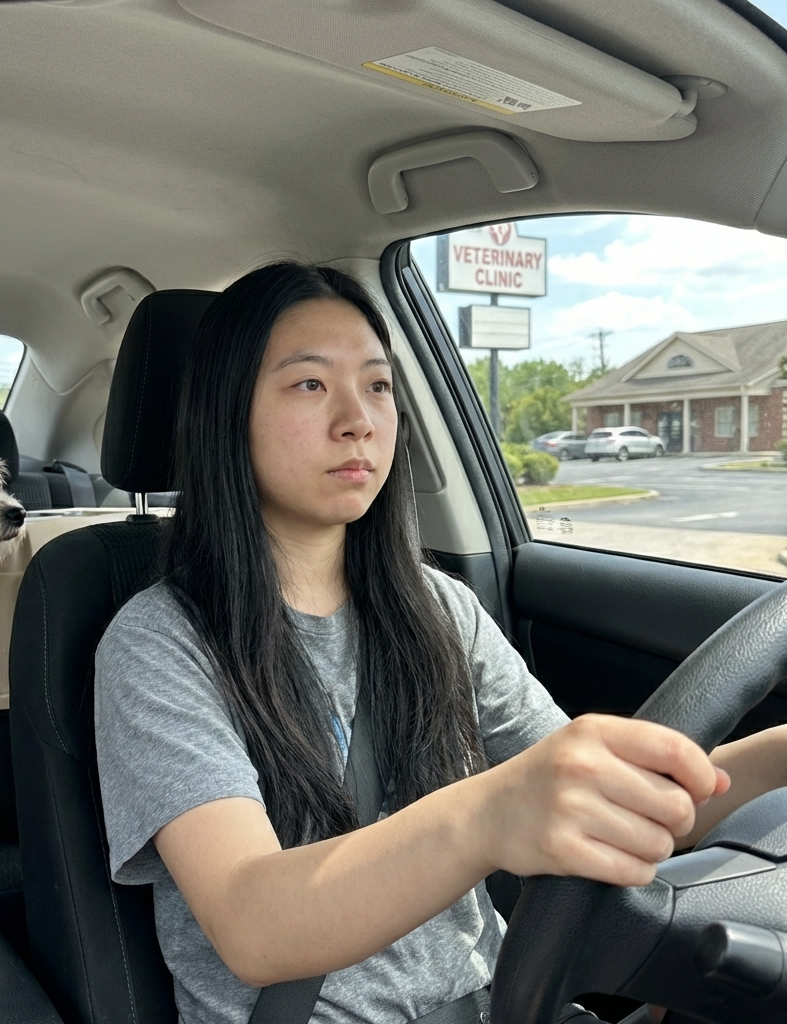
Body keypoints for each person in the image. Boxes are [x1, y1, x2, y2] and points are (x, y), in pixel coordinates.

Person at [94, 262, 787, 1024]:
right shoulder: (159, 643)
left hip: (509, 999)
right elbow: (253, 924)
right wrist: (492, 814)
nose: (359, 418)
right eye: (309, 384)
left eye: (379, 385)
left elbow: (612, 809)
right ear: (226, 413)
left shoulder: (438, 610)